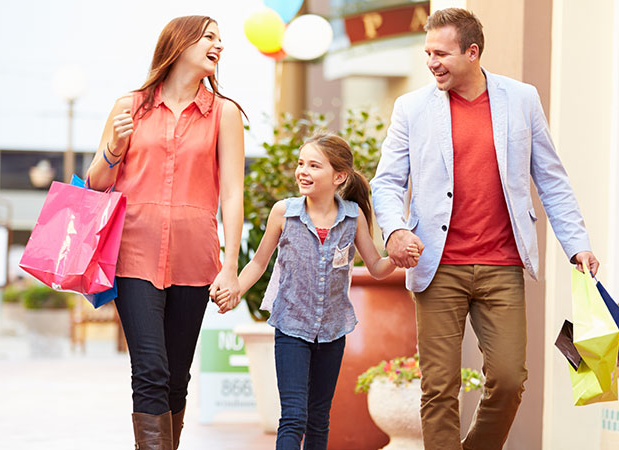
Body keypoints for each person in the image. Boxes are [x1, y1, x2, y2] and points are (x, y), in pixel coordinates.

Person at [370, 7, 601, 450]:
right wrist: (396, 230)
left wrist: (578, 245)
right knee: (439, 387)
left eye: (442, 53)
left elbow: (551, 178)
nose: (431, 62)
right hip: (438, 266)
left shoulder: (521, 99)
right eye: (427, 52)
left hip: (502, 264)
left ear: (472, 52)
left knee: (510, 380)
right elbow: (387, 182)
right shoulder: (412, 108)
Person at [85, 15, 245, 450]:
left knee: (177, 376)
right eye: (209, 37)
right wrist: (113, 150)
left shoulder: (224, 114)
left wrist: (230, 266)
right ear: (179, 44)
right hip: (134, 255)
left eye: (220, 39)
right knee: (151, 370)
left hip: (196, 261)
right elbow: (96, 182)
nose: (219, 46)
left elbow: (232, 193)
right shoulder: (129, 106)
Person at [215, 134, 420, 450]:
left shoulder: (353, 217)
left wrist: (397, 257)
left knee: (318, 418)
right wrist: (236, 290)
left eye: (313, 165)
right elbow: (257, 263)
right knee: (293, 417)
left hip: (333, 331)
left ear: (339, 176)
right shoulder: (284, 213)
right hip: (291, 328)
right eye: (301, 164)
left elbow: (377, 268)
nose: (303, 171)